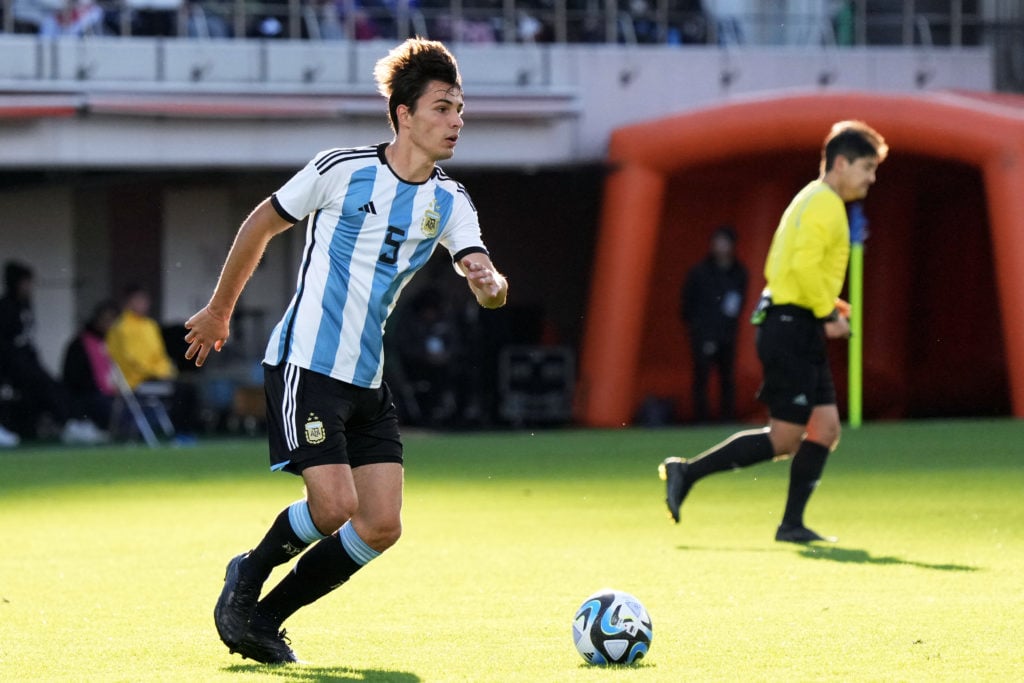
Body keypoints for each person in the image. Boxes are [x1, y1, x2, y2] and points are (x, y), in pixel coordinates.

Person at [183, 37, 507, 664]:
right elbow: (261, 223)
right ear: (404, 114)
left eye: (461, 109)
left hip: (367, 379)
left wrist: (490, 286)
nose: (456, 121)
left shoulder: (449, 201)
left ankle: (265, 618)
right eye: (442, 108)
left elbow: (484, 273)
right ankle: (247, 575)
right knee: (334, 507)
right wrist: (220, 309)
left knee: (381, 525)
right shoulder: (342, 169)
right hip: (307, 363)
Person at [659, 120, 887, 544]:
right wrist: (827, 314)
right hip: (791, 327)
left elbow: (793, 268)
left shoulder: (813, 198)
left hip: (793, 322)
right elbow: (800, 268)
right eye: (866, 168)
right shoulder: (825, 204)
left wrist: (826, 304)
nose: (871, 179)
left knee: (827, 428)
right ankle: (686, 472)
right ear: (840, 163)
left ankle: (791, 524)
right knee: (785, 438)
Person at [0, 261, 107, 444]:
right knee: (41, 386)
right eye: (26, 282)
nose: (29, 287)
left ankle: (72, 423)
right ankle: (67, 424)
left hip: (27, 363)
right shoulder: (5, 308)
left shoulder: (25, 306)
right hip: (10, 366)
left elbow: (27, 342)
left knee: (55, 387)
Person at [107, 285, 199, 438]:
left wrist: (167, 371)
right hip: (135, 380)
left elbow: (160, 355)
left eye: (144, 300)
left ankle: (185, 432)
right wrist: (157, 372)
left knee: (188, 388)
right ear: (128, 303)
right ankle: (178, 432)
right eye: (138, 300)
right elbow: (131, 360)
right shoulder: (121, 328)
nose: (142, 304)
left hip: (156, 375)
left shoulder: (150, 326)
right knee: (181, 391)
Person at [680, 225, 748, 422]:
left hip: (727, 334)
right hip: (703, 333)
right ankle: (700, 419)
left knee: (727, 377)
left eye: (724, 242)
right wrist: (698, 329)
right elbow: (687, 304)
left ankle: (727, 419)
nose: (720, 246)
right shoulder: (699, 272)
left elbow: (737, 304)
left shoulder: (739, 273)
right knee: (701, 376)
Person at [62, 299, 121, 431]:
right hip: (86, 395)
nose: (109, 324)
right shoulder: (80, 344)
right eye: (106, 320)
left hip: (109, 393)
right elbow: (76, 379)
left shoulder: (112, 342)